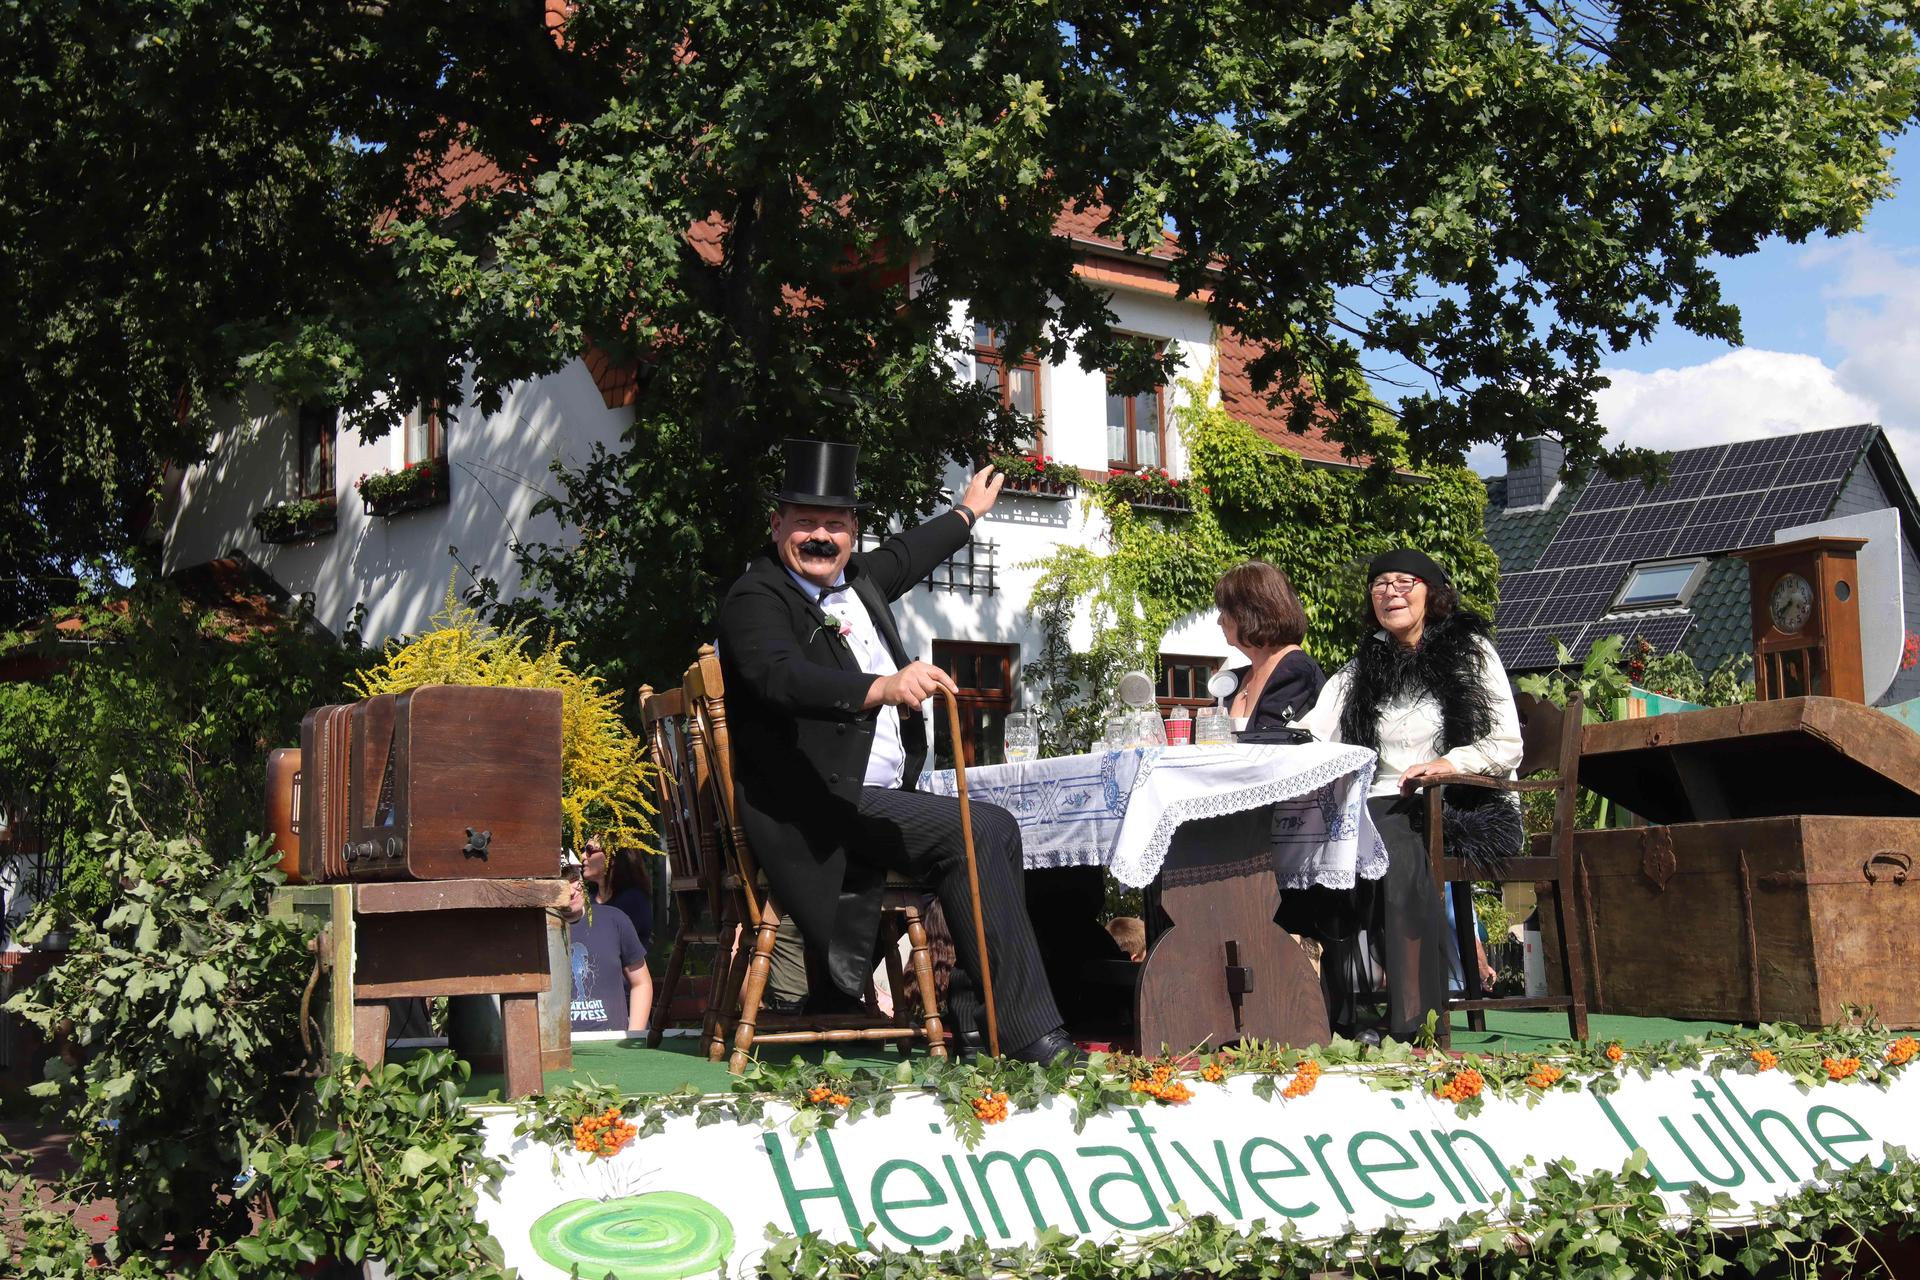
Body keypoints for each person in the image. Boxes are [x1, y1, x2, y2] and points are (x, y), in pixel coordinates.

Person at [715, 438, 1074, 1063]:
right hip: (813, 806)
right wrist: (881, 686)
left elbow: (908, 556)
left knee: (980, 832)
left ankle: (972, 1019)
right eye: (805, 523)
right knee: (981, 829)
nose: (821, 537)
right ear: (777, 526)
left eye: (835, 523)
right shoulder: (756, 599)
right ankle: (1024, 1034)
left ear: (854, 530)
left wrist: (967, 515)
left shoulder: (858, 585)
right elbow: (779, 676)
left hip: (864, 799)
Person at [1292, 549, 1522, 1039]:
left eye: (1403, 582)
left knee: (1391, 843)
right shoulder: (1363, 666)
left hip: (1458, 798)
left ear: (1431, 594)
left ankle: (1417, 1020)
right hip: (1376, 800)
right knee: (1312, 843)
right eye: (1380, 584)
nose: (1390, 592)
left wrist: (1448, 763)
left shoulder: (1471, 652)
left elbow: (1505, 743)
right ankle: (1341, 1013)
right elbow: (1313, 731)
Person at [1214, 561, 1326, 730]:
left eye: (1224, 611)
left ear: (1248, 612)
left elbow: (1269, 742)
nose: (1219, 621)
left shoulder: (1295, 672)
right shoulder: (1234, 680)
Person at [563, 856, 652, 1034]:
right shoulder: (538, 930)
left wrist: (633, 1036)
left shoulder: (614, 919)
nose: (571, 890)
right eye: (560, 884)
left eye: (573, 879)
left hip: (614, 1044)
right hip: (559, 1045)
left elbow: (641, 983)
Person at [583, 834, 655, 950]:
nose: (583, 856)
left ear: (613, 857)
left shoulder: (632, 902)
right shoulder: (587, 899)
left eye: (589, 851)